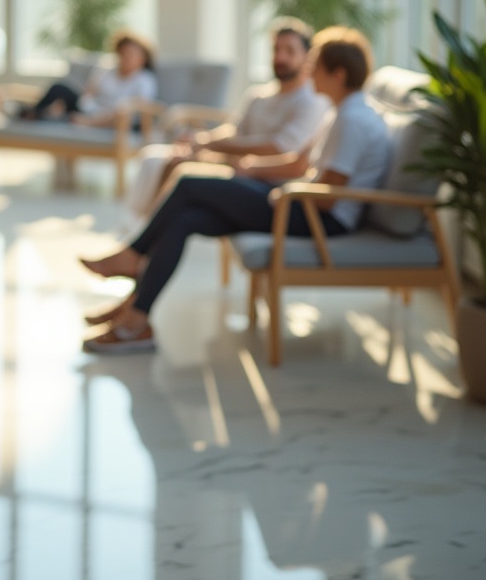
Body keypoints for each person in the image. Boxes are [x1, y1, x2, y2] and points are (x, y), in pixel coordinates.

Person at [78, 26, 391, 353]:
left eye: (316, 65)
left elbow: (330, 197)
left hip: (319, 219)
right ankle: (136, 316)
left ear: (338, 75)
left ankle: (132, 257)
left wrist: (280, 194)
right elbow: (300, 164)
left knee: (187, 181)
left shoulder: (351, 120)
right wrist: (254, 172)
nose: (309, 72)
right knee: (186, 219)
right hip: (301, 203)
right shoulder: (339, 112)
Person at [125, 18, 330, 222]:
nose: (280, 57)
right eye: (276, 49)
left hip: (264, 176)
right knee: (176, 160)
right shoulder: (258, 95)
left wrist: (210, 145)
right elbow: (233, 130)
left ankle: (146, 236)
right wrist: (199, 140)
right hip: (236, 163)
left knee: (183, 175)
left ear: (306, 57)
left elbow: (279, 148)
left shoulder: (312, 101)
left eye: (290, 51)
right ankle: (144, 231)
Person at [21, 29, 158, 127]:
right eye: (123, 54)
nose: (126, 58)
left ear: (143, 58)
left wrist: (90, 121)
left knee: (123, 111)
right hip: (91, 110)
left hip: (117, 119)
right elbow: (88, 92)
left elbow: (139, 108)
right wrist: (85, 107)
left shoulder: (144, 79)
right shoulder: (107, 69)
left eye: (132, 54)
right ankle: (33, 113)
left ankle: (49, 117)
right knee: (59, 88)